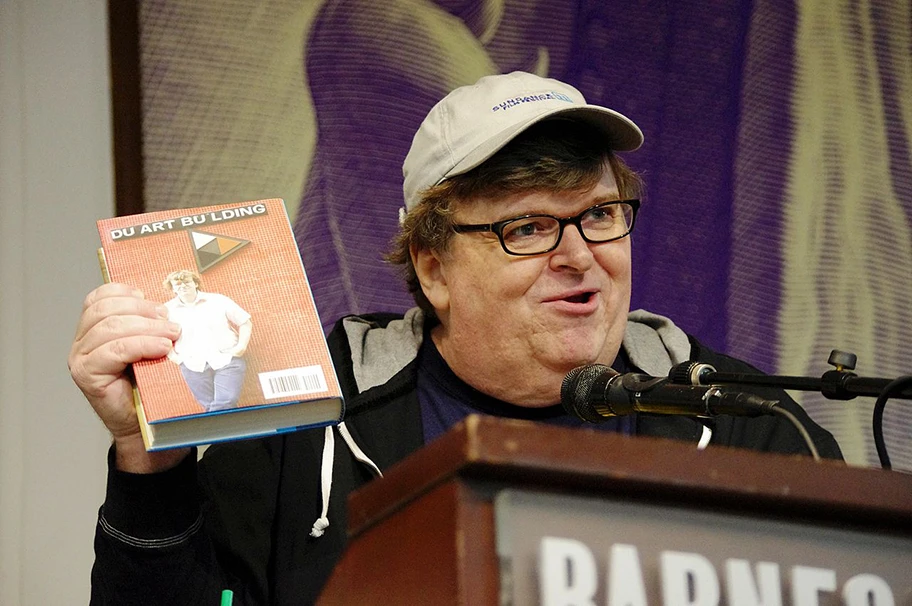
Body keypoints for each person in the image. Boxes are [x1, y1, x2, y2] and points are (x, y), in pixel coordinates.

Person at [68, 72, 842, 605]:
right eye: (528, 228)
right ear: (434, 267)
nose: (580, 256)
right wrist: (150, 465)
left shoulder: (744, 422)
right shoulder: (310, 416)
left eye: (600, 215)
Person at [162, 269, 253, 412]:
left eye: (186, 282)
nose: (182, 286)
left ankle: (214, 429)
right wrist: (175, 357)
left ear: (195, 283)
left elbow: (244, 321)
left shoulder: (217, 300)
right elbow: (159, 335)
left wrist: (241, 347)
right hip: (192, 364)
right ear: (172, 288)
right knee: (209, 407)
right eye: (177, 284)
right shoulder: (167, 310)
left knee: (226, 401)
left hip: (226, 359)